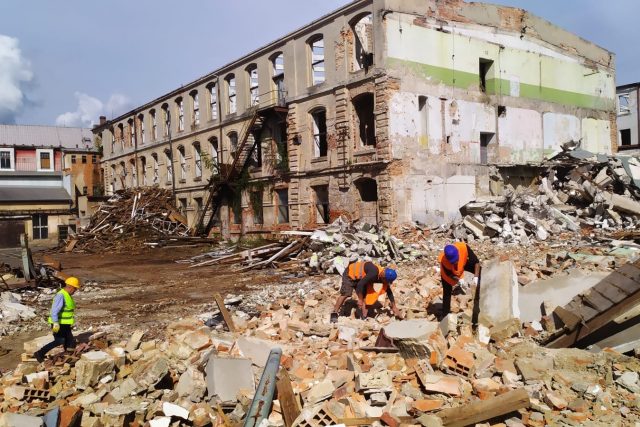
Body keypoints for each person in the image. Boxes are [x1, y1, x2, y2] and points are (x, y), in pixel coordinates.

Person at [331, 261, 402, 322]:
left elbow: (389, 291)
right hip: (350, 274)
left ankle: (363, 317)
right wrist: (360, 299)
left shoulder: (383, 277)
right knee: (346, 293)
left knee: (366, 297)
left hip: (361, 279)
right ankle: (334, 314)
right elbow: (360, 285)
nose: (385, 282)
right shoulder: (374, 273)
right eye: (385, 280)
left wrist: (394, 306)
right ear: (383, 276)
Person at [34, 277, 80, 362]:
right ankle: (39, 353)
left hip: (65, 324)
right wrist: (55, 323)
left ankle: (69, 357)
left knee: (70, 340)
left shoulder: (67, 295)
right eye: (75, 288)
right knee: (59, 340)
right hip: (57, 324)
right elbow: (54, 310)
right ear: (70, 287)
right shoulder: (61, 295)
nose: (75, 291)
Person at [438, 242, 481, 318]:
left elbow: (476, 262)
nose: (456, 262)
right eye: (453, 262)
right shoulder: (444, 260)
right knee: (447, 292)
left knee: (479, 270)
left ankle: (479, 295)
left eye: (456, 260)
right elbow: (450, 275)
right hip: (449, 274)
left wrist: (476, 278)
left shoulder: (463, 247)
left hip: (462, 264)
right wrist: (460, 281)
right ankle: (445, 316)